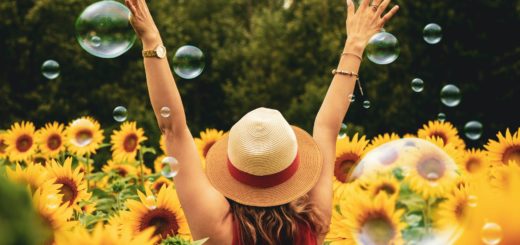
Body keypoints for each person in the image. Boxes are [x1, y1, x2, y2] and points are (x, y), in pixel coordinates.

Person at [125, 0, 399, 244]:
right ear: (293, 169)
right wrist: (355, 45)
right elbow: (327, 127)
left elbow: (173, 129)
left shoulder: (217, 229)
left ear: (234, 167)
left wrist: (152, 41)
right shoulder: (313, 223)